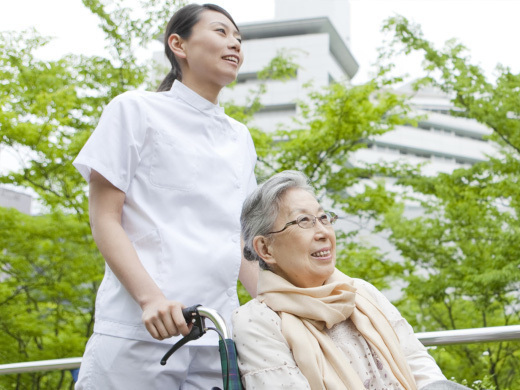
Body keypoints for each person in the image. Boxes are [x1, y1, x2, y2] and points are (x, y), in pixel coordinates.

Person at [73, 3, 258, 389]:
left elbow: (238, 240)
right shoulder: (134, 110)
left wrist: (279, 306)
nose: (235, 44)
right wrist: (150, 299)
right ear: (179, 44)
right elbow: (105, 218)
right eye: (221, 32)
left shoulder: (239, 137)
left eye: (239, 38)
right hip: (138, 333)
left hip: (217, 335)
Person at [233, 170, 470, 390]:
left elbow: (418, 364)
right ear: (265, 248)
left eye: (324, 218)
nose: (323, 232)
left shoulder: (360, 292)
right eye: (304, 221)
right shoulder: (258, 321)